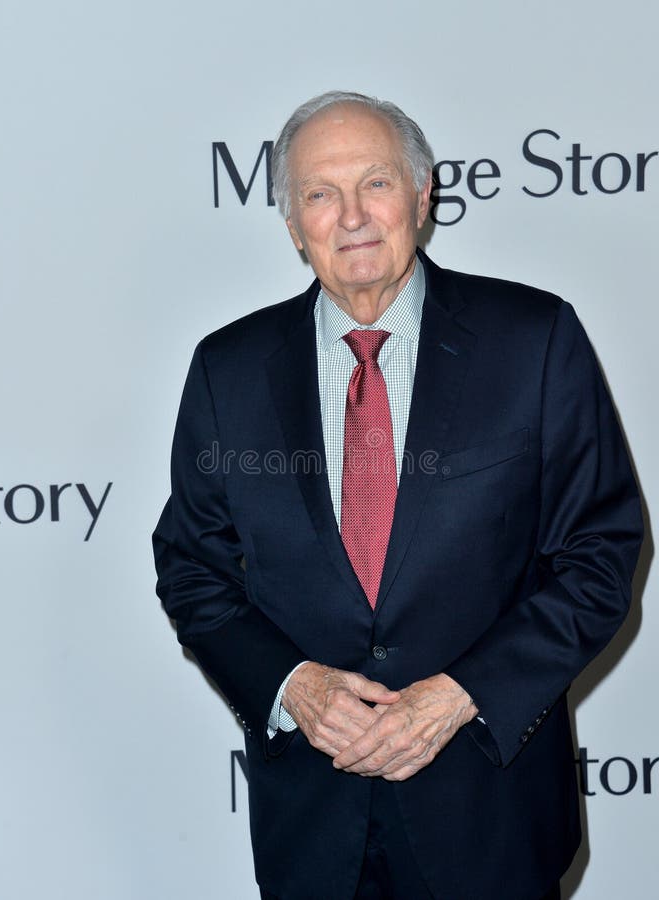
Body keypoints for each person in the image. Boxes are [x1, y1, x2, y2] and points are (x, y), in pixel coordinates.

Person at [153, 91, 643, 900]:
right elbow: (190, 567)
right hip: (312, 821)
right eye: (319, 193)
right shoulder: (226, 369)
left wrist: (460, 696)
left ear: (422, 195)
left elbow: (599, 553)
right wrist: (293, 687)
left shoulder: (535, 340)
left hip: (490, 811)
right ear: (290, 222)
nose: (350, 216)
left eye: (374, 183)